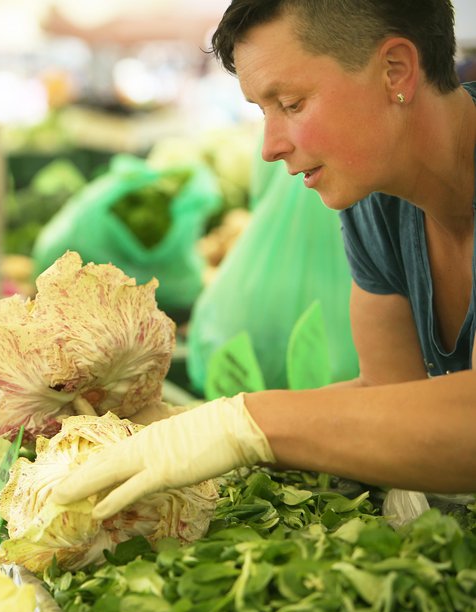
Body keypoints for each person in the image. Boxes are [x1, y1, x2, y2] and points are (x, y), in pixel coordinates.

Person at [53, 0, 476, 520]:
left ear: (396, 71)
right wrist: (193, 424)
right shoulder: (376, 201)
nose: (270, 148)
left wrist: (247, 425)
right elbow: (391, 397)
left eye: (292, 104)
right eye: (262, 111)